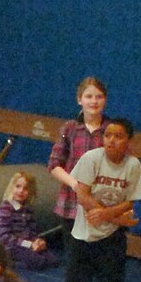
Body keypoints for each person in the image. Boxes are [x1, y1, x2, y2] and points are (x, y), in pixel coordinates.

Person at [48, 116, 141, 282]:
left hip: (112, 239)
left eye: (118, 136)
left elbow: (131, 201)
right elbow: (82, 193)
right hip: (82, 236)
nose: (112, 140)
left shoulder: (133, 166)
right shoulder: (92, 158)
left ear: (128, 141)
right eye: (108, 135)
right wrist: (111, 215)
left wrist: (109, 216)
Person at [47, 76, 110, 240]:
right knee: (76, 259)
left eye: (99, 96)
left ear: (105, 100)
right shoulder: (70, 128)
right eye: (89, 96)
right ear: (79, 99)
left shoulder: (112, 130)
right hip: (72, 205)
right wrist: (75, 185)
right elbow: (54, 165)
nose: (94, 101)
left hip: (103, 203)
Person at [0, 173, 59, 270]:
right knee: (36, 261)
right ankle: (10, 261)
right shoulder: (4, 210)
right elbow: (5, 237)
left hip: (27, 245)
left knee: (53, 260)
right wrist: (30, 244)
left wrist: (38, 241)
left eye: (26, 189)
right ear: (11, 187)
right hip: (10, 246)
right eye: (18, 187)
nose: (21, 191)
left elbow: (32, 231)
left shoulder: (28, 210)